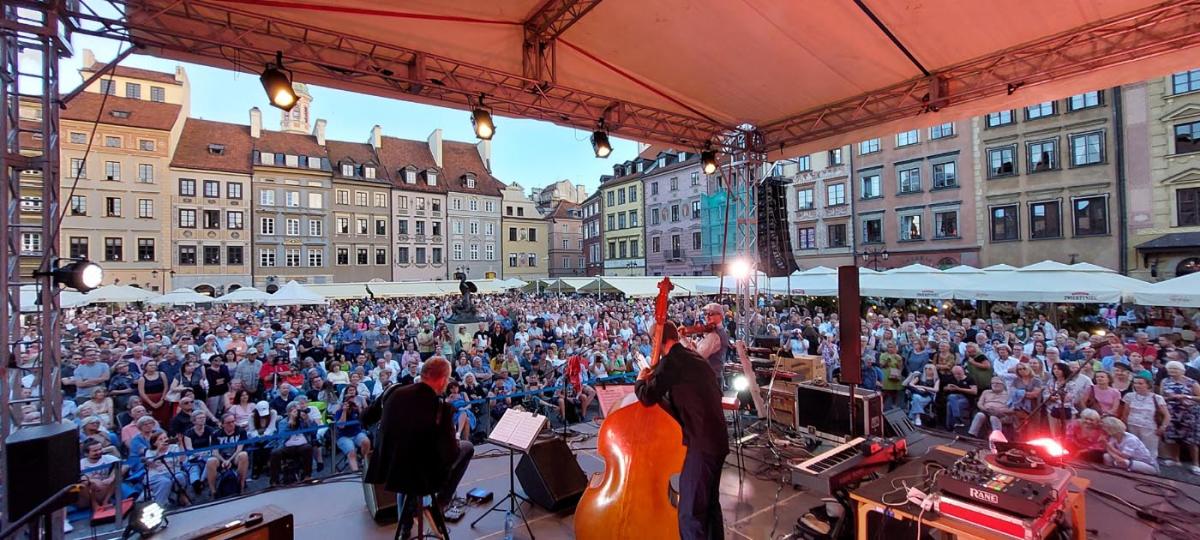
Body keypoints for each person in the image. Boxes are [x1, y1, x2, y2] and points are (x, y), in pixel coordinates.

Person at [635, 321, 728, 540]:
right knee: (710, 507)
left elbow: (648, 396)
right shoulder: (692, 357)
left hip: (702, 444)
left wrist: (640, 380)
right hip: (718, 440)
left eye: (652, 342)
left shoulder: (673, 362)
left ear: (657, 341)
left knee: (691, 513)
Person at [362, 357, 474, 539]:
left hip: (388, 467)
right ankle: (440, 504)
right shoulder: (441, 408)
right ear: (443, 380)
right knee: (466, 447)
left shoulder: (392, 390)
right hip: (420, 475)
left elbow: (365, 418)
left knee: (416, 462)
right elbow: (450, 454)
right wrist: (454, 439)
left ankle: (405, 526)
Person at [1159, 361, 1200, 474]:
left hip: (1189, 413)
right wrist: (1169, 398)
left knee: (1191, 440)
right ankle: (1175, 459)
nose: (1172, 371)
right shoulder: (1165, 381)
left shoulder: (1192, 382)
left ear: (1182, 371)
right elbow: (1161, 396)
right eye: (1170, 369)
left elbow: (1199, 397)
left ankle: (1196, 464)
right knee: (1172, 437)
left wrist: (1185, 396)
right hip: (1171, 411)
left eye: (1175, 369)